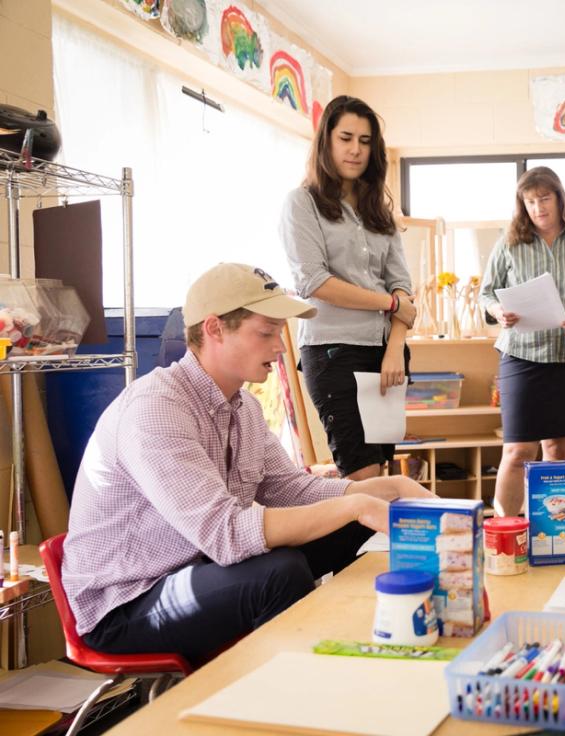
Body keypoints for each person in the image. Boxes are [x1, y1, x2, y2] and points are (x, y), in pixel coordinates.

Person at [62, 263, 435, 666]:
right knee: (281, 572)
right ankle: (288, 694)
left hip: (198, 569)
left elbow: (292, 490)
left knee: (345, 524)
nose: (280, 346)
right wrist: (357, 504)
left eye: (280, 332)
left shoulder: (244, 407)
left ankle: (363, 632)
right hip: (127, 602)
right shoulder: (156, 408)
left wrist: (385, 490)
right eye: (266, 332)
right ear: (214, 329)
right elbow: (225, 535)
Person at [280, 95, 416, 480]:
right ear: (326, 141)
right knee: (363, 474)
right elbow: (314, 281)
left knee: (381, 472)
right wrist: (389, 304)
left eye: (365, 140)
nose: (356, 149)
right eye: (346, 138)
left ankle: (369, 541)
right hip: (333, 351)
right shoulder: (301, 203)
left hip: (386, 356)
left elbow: (404, 288)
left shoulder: (380, 213)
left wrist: (394, 349)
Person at [479, 166, 565, 517]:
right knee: (517, 451)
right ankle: (505, 532)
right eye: (530, 201)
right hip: (522, 358)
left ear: (559, 200)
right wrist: (498, 311)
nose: (538, 207)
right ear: (522, 206)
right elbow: (486, 294)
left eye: (544, 198)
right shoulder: (509, 246)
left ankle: (549, 533)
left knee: (557, 452)